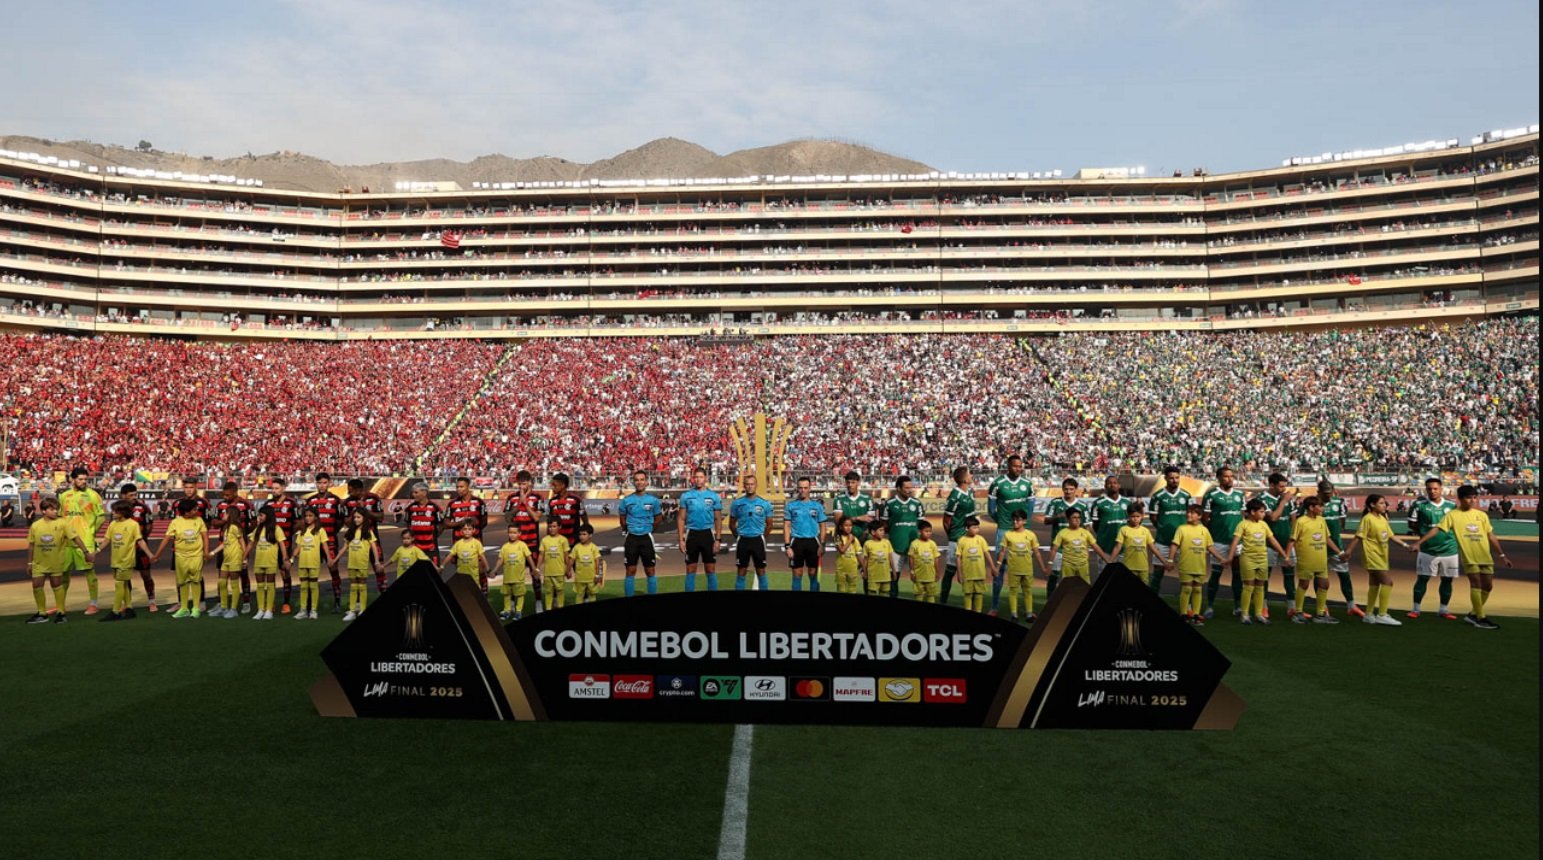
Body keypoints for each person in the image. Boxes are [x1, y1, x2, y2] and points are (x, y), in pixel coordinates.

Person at [1419, 485, 1512, 629]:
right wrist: (1419, 543)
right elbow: (1437, 529)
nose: (1472, 500)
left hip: (1485, 556)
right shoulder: (1452, 515)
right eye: (1469, 498)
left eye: (1474, 497)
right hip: (1469, 557)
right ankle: (1480, 617)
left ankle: (1473, 614)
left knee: (1488, 586)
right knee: (1476, 585)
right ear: (1460, 499)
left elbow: (1491, 536)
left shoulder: (1482, 515)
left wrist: (1502, 555)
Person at [1338, 494, 1409, 627]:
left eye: (1384, 503)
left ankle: (1369, 614)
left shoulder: (1382, 518)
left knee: (1374, 584)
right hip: (1372, 555)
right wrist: (1348, 551)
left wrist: (1406, 545)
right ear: (1372, 505)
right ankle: (1382, 614)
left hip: (1382, 555)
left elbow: (1391, 536)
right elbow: (1358, 536)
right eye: (1381, 503)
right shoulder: (1367, 519)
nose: (1384, 505)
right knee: (1388, 582)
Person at [26, 498, 90, 623]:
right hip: (39, 562)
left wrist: (86, 552)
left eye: (56, 509)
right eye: (52, 509)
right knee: (36, 586)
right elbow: (31, 545)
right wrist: (29, 563)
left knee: (56, 585)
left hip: (56, 561)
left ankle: (61, 612)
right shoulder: (35, 525)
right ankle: (42, 613)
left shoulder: (63, 523)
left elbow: (75, 538)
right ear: (43, 511)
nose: (55, 511)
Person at [1227, 499, 1288, 625]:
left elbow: (1272, 540)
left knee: (1260, 587)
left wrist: (1284, 555)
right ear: (1252, 512)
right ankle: (1245, 614)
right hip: (1248, 559)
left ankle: (1258, 614)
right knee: (1248, 586)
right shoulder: (1243, 525)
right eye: (1261, 512)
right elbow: (1235, 541)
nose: (1264, 514)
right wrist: (1230, 557)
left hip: (1262, 559)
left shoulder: (1263, 525)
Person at [1406, 477, 1459, 620]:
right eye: (1429, 489)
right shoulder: (1419, 505)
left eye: (1435, 489)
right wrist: (1424, 532)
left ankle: (1443, 609)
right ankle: (1416, 609)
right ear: (1426, 490)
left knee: (1447, 580)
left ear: (1441, 489)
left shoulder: (1451, 505)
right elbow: (1412, 524)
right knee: (1422, 578)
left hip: (1449, 549)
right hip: (1427, 549)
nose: (1432, 491)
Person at [1286, 495, 1344, 624]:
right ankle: (1298, 612)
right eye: (1320, 506)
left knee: (1324, 584)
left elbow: (1327, 538)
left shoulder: (1321, 520)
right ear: (1311, 507)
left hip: (1321, 559)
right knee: (1304, 584)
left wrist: (1339, 552)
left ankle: (1320, 614)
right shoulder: (1301, 522)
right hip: (1306, 559)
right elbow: (1292, 540)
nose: (1322, 508)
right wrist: (1287, 556)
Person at [986, 457, 1034, 612]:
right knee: (1000, 568)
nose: (1018, 469)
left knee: (1024, 570)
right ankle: (994, 607)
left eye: (1020, 466)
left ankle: (1027, 609)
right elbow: (991, 510)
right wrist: (1002, 522)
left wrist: (1024, 524)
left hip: (1023, 532)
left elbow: (1031, 508)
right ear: (1008, 466)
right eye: (1015, 466)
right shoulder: (998, 483)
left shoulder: (1027, 484)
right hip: (1004, 531)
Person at [1202, 466, 1248, 618]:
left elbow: (1242, 516)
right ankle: (1209, 606)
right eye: (1226, 476)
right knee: (1216, 574)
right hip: (1219, 541)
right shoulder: (1211, 495)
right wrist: (1214, 532)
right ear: (1219, 478)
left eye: (1231, 476)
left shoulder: (1239, 495)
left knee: (1237, 574)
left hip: (1237, 541)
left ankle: (1237, 606)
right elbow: (1205, 519)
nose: (1230, 479)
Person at [58, 467, 105, 615]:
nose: (84, 481)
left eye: (85, 479)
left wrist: (91, 532)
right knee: (63, 573)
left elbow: (101, 517)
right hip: (66, 541)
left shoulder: (93, 495)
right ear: (73, 479)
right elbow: (60, 517)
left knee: (89, 572)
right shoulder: (64, 496)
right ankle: (60, 605)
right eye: (80, 479)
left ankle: (93, 604)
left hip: (85, 540)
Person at [152, 497, 209, 619]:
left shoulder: (199, 520)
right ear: (186, 512)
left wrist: (206, 552)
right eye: (194, 509)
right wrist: (157, 555)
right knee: (182, 582)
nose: (196, 511)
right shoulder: (175, 522)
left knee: (196, 581)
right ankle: (184, 608)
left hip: (196, 556)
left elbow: (205, 537)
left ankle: (195, 608)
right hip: (180, 557)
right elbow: (166, 539)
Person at [1312, 480, 1363, 618]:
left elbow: (1341, 523)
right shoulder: (1312, 504)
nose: (1328, 496)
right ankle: (1322, 606)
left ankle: (1351, 605)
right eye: (1325, 494)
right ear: (1319, 492)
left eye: (1330, 493)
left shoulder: (1339, 503)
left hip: (1336, 546)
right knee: (1319, 577)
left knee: (1344, 575)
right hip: (1318, 547)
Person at [1170, 505, 1227, 625]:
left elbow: (1210, 546)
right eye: (1188, 512)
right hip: (1186, 565)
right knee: (1186, 589)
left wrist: (1221, 558)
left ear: (1200, 516)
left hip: (1200, 566)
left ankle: (1196, 615)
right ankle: (1184, 614)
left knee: (1197, 590)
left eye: (1192, 513)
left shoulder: (1204, 530)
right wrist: (1170, 560)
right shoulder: (1181, 529)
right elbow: (1174, 545)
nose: (1188, 515)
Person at [1257, 472, 1300, 618]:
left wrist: (1293, 540)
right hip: (1268, 544)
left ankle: (1291, 607)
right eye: (1281, 486)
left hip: (1287, 544)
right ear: (1272, 485)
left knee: (1289, 575)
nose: (1284, 489)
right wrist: (1283, 501)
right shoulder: (1263, 499)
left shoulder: (1288, 500)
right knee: (1264, 576)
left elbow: (1293, 521)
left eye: (1285, 486)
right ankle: (1263, 607)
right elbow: (1273, 518)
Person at [1038, 477, 1089, 597]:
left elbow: (1087, 527)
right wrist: (1059, 516)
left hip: (1076, 548)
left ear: (1076, 489)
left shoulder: (1082, 506)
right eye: (1066, 489)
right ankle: (1050, 600)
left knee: (1076, 577)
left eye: (1071, 489)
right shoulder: (1055, 503)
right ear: (1062, 489)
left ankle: (1076, 600)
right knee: (1054, 575)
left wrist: (1086, 545)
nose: (1068, 491)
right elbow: (1046, 521)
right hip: (1058, 547)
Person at [101, 501, 150, 622]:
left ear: (122, 512)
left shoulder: (133, 524)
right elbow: (106, 540)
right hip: (115, 560)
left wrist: (150, 555)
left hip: (126, 560)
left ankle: (115, 611)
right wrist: (96, 551)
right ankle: (129, 608)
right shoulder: (113, 524)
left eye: (115, 511)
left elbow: (140, 540)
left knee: (119, 584)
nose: (112, 512)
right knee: (124, 584)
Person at [617, 470, 664, 596]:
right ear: (633, 482)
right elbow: (622, 518)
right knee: (630, 570)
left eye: (642, 479)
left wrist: (649, 529)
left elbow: (658, 518)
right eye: (637, 480)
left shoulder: (653, 500)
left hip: (646, 538)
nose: (639, 482)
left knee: (650, 570)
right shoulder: (626, 500)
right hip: (631, 538)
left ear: (646, 482)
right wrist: (628, 528)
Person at [304, 473, 345, 614]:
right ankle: (309, 603)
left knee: (333, 569)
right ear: (316, 484)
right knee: (311, 571)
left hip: (330, 540)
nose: (322, 485)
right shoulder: (310, 501)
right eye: (319, 483)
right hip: (313, 542)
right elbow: (305, 521)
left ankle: (337, 601)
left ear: (329, 483)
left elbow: (340, 520)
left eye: (324, 483)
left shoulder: (335, 500)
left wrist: (331, 532)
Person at [996, 509, 1046, 623]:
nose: (1015, 522)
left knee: (1027, 591)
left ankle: (1029, 614)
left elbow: (1037, 552)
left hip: (1027, 569)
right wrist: (997, 567)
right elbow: (1002, 552)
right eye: (1013, 519)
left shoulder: (1030, 535)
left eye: (1018, 520)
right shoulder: (1008, 535)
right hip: (1013, 569)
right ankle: (1014, 615)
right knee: (1013, 591)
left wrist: (1043, 567)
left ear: (1024, 521)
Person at [678, 466, 723, 592]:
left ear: (705, 478)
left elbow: (718, 519)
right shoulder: (686, 496)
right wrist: (681, 539)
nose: (698, 480)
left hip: (708, 534)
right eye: (696, 477)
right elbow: (681, 518)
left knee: (710, 569)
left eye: (701, 477)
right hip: (691, 534)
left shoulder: (713, 496)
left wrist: (718, 539)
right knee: (690, 569)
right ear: (693, 479)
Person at [1147, 466, 1192, 592]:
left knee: (1187, 574)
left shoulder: (1186, 495)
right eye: (1171, 478)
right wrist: (1162, 529)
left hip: (1183, 543)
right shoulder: (1157, 496)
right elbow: (1153, 517)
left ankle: (1186, 602)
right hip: (1163, 542)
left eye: (1177, 478)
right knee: (1157, 574)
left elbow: (1191, 516)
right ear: (1165, 478)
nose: (1175, 480)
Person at [503, 471, 545, 607]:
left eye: (524, 484)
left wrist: (525, 503)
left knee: (535, 573)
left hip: (532, 541)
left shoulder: (538, 497)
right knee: (514, 573)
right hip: (515, 543)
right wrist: (518, 505)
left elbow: (537, 517)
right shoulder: (511, 498)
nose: (522, 487)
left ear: (530, 483)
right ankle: (513, 603)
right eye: (520, 484)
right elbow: (507, 518)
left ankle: (538, 602)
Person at [213, 481, 255, 614]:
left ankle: (246, 602)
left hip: (239, 547)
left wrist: (242, 533)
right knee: (222, 575)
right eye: (224, 495)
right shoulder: (220, 505)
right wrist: (224, 521)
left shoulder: (246, 505)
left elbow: (253, 522)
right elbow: (214, 523)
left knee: (243, 573)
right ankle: (221, 603)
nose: (225, 497)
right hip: (223, 544)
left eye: (228, 495)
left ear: (235, 492)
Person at [881, 476, 924, 599]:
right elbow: (884, 524)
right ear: (898, 488)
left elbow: (921, 524)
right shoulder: (890, 504)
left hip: (914, 547)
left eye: (911, 487)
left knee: (919, 576)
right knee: (894, 576)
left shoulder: (917, 503)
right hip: (896, 546)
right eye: (906, 487)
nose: (909, 490)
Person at [118, 483, 160, 612]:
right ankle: (127, 602)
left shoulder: (143, 508)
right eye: (131, 495)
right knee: (125, 577)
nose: (134, 497)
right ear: (123, 495)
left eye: (135, 494)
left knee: (146, 575)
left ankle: (152, 601)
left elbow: (149, 525)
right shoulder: (118, 508)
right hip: (124, 549)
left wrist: (142, 538)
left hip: (140, 548)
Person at [782, 476, 828, 592]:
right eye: (801, 488)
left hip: (813, 542)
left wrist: (822, 545)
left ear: (810, 488)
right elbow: (787, 526)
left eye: (805, 488)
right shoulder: (790, 506)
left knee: (813, 573)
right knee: (797, 574)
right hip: (796, 542)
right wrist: (787, 546)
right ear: (797, 488)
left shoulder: (817, 506)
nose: (803, 490)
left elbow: (823, 526)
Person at [264, 477, 301, 615]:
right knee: (270, 573)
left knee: (285, 572)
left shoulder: (291, 503)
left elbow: (299, 522)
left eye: (277, 488)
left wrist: (288, 533)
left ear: (283, 488)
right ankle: (271, 602)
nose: (274, 491)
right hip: (270, 545)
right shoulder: (268, 504)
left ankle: (286, 603)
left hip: (285, 545)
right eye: (272, 488)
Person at [729, 474, 773, 591]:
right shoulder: (737, 503)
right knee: (741, 571)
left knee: (761, 570)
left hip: (758, 540)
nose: (750, 486)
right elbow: (731, 524)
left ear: (756, 485)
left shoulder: (765, 504)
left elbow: (770, 524)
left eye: (752, 484)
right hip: (743, 540)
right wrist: (738, 536)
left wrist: (762, 537)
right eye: (747, 484)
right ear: (744, 486)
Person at [445, 477, 489, 594]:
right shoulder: (452, 504)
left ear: (468, 487)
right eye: (457, 487)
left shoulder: (479, 502)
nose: (459, 489)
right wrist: (461, 523)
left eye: (461, 486)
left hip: (475, 541)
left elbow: (484, 521)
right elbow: (446, 523)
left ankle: (484, 592)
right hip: (458, 542)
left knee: (480, 569)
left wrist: (473, 531)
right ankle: (465, 594)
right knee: (461, 568)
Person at [288, 508, 334, 620]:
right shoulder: (302, 532)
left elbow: (325, 545)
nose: (308, 518)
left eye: (310, 515)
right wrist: (292, 559)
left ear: (315, 517)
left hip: (314, 562)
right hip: (303, 563)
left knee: (313, 586)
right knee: (303, 587)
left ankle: (313, 610)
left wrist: (329, 558)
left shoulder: (320, 530)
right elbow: (298, 547)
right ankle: (303, 610)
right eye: (306, 516)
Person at [343, 478, 386, 595]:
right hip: (356, 539)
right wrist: (356, 511)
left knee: (378, 566)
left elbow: (381, 517)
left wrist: (365, 510)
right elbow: (347, 522)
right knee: (357, 568)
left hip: (372, 537)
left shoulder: (374, 498)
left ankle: (383, 592)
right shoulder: (347, 502)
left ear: (359, 490)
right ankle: (358, 598)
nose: (348, 492)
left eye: (350, 490)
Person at [1106, 503, 1164, 590]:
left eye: (1138, 516)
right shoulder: (1123, 530)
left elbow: (1153, 548)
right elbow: (1118, 547)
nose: (1135, 519)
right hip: (1129, 567)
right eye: (1133, 516)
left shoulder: (1145, 531)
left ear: (1142, 516)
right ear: (1128, 516)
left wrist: (1164, 562)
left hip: (1143, 567)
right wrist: (1110, 560)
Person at [942, 466, 976, 609]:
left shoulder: (970, 493)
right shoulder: (955, 495)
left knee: (971, 571)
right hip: (956, 538)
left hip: (969, 538)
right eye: (969, 474)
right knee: (950, 571)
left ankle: (972, 604)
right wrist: (952, 537)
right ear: (964, 479)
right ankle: (943, 601)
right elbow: (946, 520)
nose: (971, 476)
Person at [1088, 475, 1131, 581]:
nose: (1112, 485)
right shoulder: (1098, 503)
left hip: (1124, 547)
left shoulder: (1127, 502)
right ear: (1105, 486)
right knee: (1105, 576)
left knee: (1123, 577)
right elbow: (1095, 525)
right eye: (1109, 483)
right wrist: (1104, 535)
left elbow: (1132, 522)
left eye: (1115, 483)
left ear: (1119, 485)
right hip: (1105, 547)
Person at [246, 507, 286, 621]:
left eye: (261, 515)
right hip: (259, 561)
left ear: (268, 516)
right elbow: (251, 544)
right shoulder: (258, 529)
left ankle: (269, 610)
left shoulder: (276, 529)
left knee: (270, 585)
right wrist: (243, 557)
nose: (259, 517)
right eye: (259, 515)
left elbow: (282, 545)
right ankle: (260, 610)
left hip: (270, 561)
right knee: (259, 586)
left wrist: (285, 558)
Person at [340, 511, 381, 621]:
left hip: (362, 564)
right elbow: (344, 547)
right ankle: (352, 611)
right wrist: (335, 559)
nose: (356, 519)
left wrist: (377, 561)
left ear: (364, 518)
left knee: (362, 586)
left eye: (359, 517)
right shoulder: (350, 531)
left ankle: (362, 609)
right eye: (355, 517)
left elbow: (374, 547)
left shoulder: (368, 532)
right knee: (353, 587)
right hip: (351, 564)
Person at [206, 510, 246, 619]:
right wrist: (212, 553)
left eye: (225, 513)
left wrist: (244, 558)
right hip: (226, 559)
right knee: (222, 583)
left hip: (235, 558)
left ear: (230, 515)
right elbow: (225, 543)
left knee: (234, 584)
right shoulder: (227, 528)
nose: (222, 515)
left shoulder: (234, 527)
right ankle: (223, 608)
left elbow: (242, 542)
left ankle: (233, 609)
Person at [953, 517, 995, 612]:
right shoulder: (961, 540)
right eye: (974, 527)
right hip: (967, 575)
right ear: (967, 528)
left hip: (979, 573)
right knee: (968, 594)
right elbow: (958, 557)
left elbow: (987, 553)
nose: (977, 529)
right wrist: (959, 574)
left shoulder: (981, 539)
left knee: (979, 594)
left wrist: (992, 567)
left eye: (978, 527)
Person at [1050, 508, 1096, 585]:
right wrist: (1050, 563)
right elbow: (1054, 549)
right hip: (1068, 564)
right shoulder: (1062, 533)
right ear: (1068, 519)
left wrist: (1106, 558)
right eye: (1074, 517)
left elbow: (1094, 546)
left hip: (1082, 564)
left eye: (1079, 517)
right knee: (1068, 586)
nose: (1077, 520)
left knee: (1084, 587)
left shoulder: (1085, 532)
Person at [494, 530, 533, 620]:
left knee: (519, 595)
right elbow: (500, 559)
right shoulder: (505, 546)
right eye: (510, 533)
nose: (512, 535)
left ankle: (518, 612)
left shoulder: (522, 545)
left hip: (518, 577)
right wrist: (494, 570)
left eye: (514, 533)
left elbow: (529, 557)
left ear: (519, 534)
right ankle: (507, 611)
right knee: (506, 594)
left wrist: (534, 568)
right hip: (507, 577)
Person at [907, 519, 942, 603]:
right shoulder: (914, 544)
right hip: (918, 576)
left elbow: (936, 559)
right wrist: (912, 572)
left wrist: (937, 572)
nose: (928, 533)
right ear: (920, 532)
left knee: (931, 596)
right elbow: (911, 558)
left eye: (930, 531)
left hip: (931, 576)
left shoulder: (932, 544)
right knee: (918, 595)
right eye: (926, 531)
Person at [538, 520, 571, 610]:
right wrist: (537, 568)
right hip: (548, 573)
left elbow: (566, 556)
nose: (551, 529)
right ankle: (548, 608)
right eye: (550, 527)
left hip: (560, 572)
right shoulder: (544, 540)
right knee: (548, 592)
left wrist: (568, 570)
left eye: (554, 526)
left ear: (559, 527)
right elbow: (541, 555)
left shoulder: (563, 540)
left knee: (560, 591)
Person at [834, 471, 876, 540]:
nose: (850, 485)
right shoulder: (839, 499)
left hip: (864, 536)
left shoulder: (867, 499)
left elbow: (871, 519)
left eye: (853, 482)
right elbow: (838, 521)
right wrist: (856, 518)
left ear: (858, 483)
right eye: (848, 482)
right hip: (846, 537)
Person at [444, 520, 487, 587]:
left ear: (473, 530)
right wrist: (442, 566)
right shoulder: (458, 544)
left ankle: (484, 588)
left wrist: (488, 569)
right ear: (461, 531)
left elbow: (482, 556)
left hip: (473, 576)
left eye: (469, 529)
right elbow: (450, 555)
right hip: (461, 576)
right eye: (465, 529)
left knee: (474, 592)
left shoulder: (477, 543)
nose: (467, 531)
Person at [572, 524, 606, 604]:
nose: (581, 537)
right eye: (580, 534)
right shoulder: (576, 547)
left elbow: (598, 561)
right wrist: (567, 570)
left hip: (591, 578)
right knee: (579, 595)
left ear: (590, 535)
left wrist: (597, 575)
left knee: (592, 595)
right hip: (580, 578)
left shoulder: (593, 548)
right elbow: (571, 559)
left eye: (584, 534)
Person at [861, 520, 894, 597]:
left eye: (883, 530)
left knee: (885, 593)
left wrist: (894, 571)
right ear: (873, 532)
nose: (883, 532)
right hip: (873, 577)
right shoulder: (868, 544)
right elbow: (865, 560)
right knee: (872, 593)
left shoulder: (887, 542)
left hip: (885, 576)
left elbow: (890, 558)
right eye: (880, 530)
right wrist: (865, 572)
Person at [832, 515, 862, 594]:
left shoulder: (855, 539)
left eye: (850, 525)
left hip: (852, 568)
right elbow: (842, 550)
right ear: (841, 527)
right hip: (841, 569)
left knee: (852, 588)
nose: (848, 528)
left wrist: (863, 566)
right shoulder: (837, 537)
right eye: (846, 525)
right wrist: (849, 540)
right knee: (841, 588)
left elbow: (858, 553)